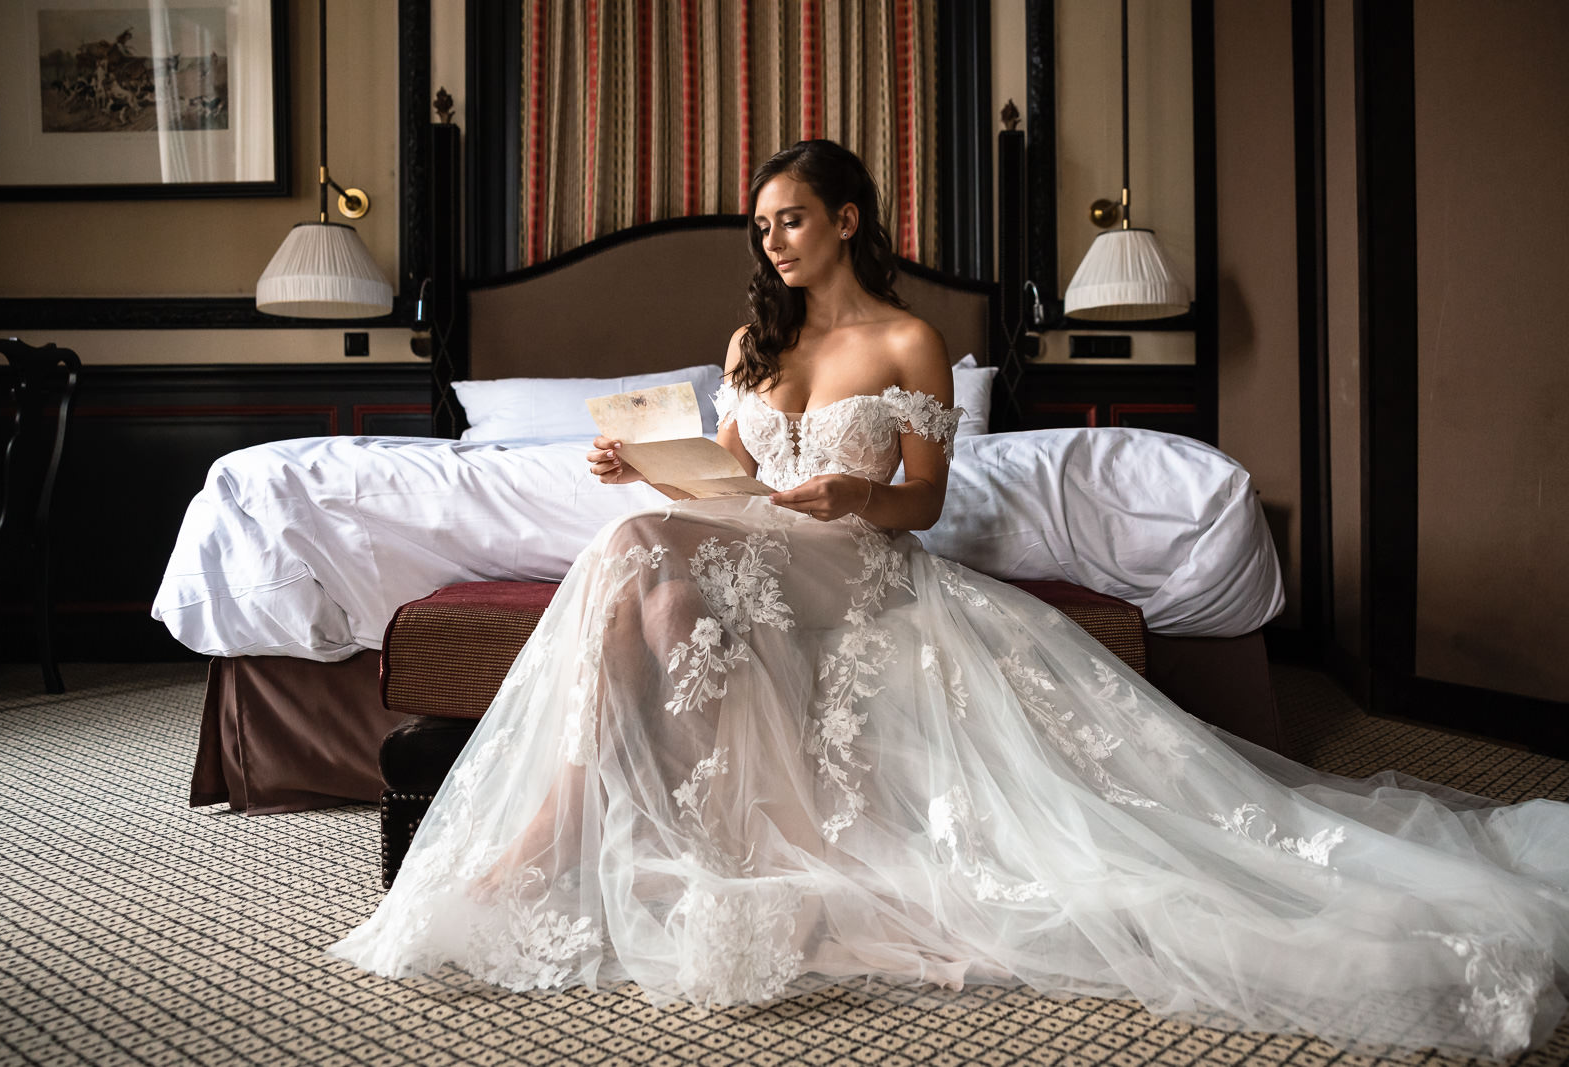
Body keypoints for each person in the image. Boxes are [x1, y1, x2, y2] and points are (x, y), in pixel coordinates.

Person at [332, 140, 1568, 1059]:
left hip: (856, 560)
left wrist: (844, 502)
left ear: (846, 220)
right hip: (757, 535)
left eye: (791, 219)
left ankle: (546, 835)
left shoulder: (911, 343)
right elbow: (737, 478)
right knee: (644, 559)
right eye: (760, 225)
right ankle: (646, 833)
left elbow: (921, 503)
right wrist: (641, 465)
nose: (770, 241)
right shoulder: (749, 343)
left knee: (641, 559)